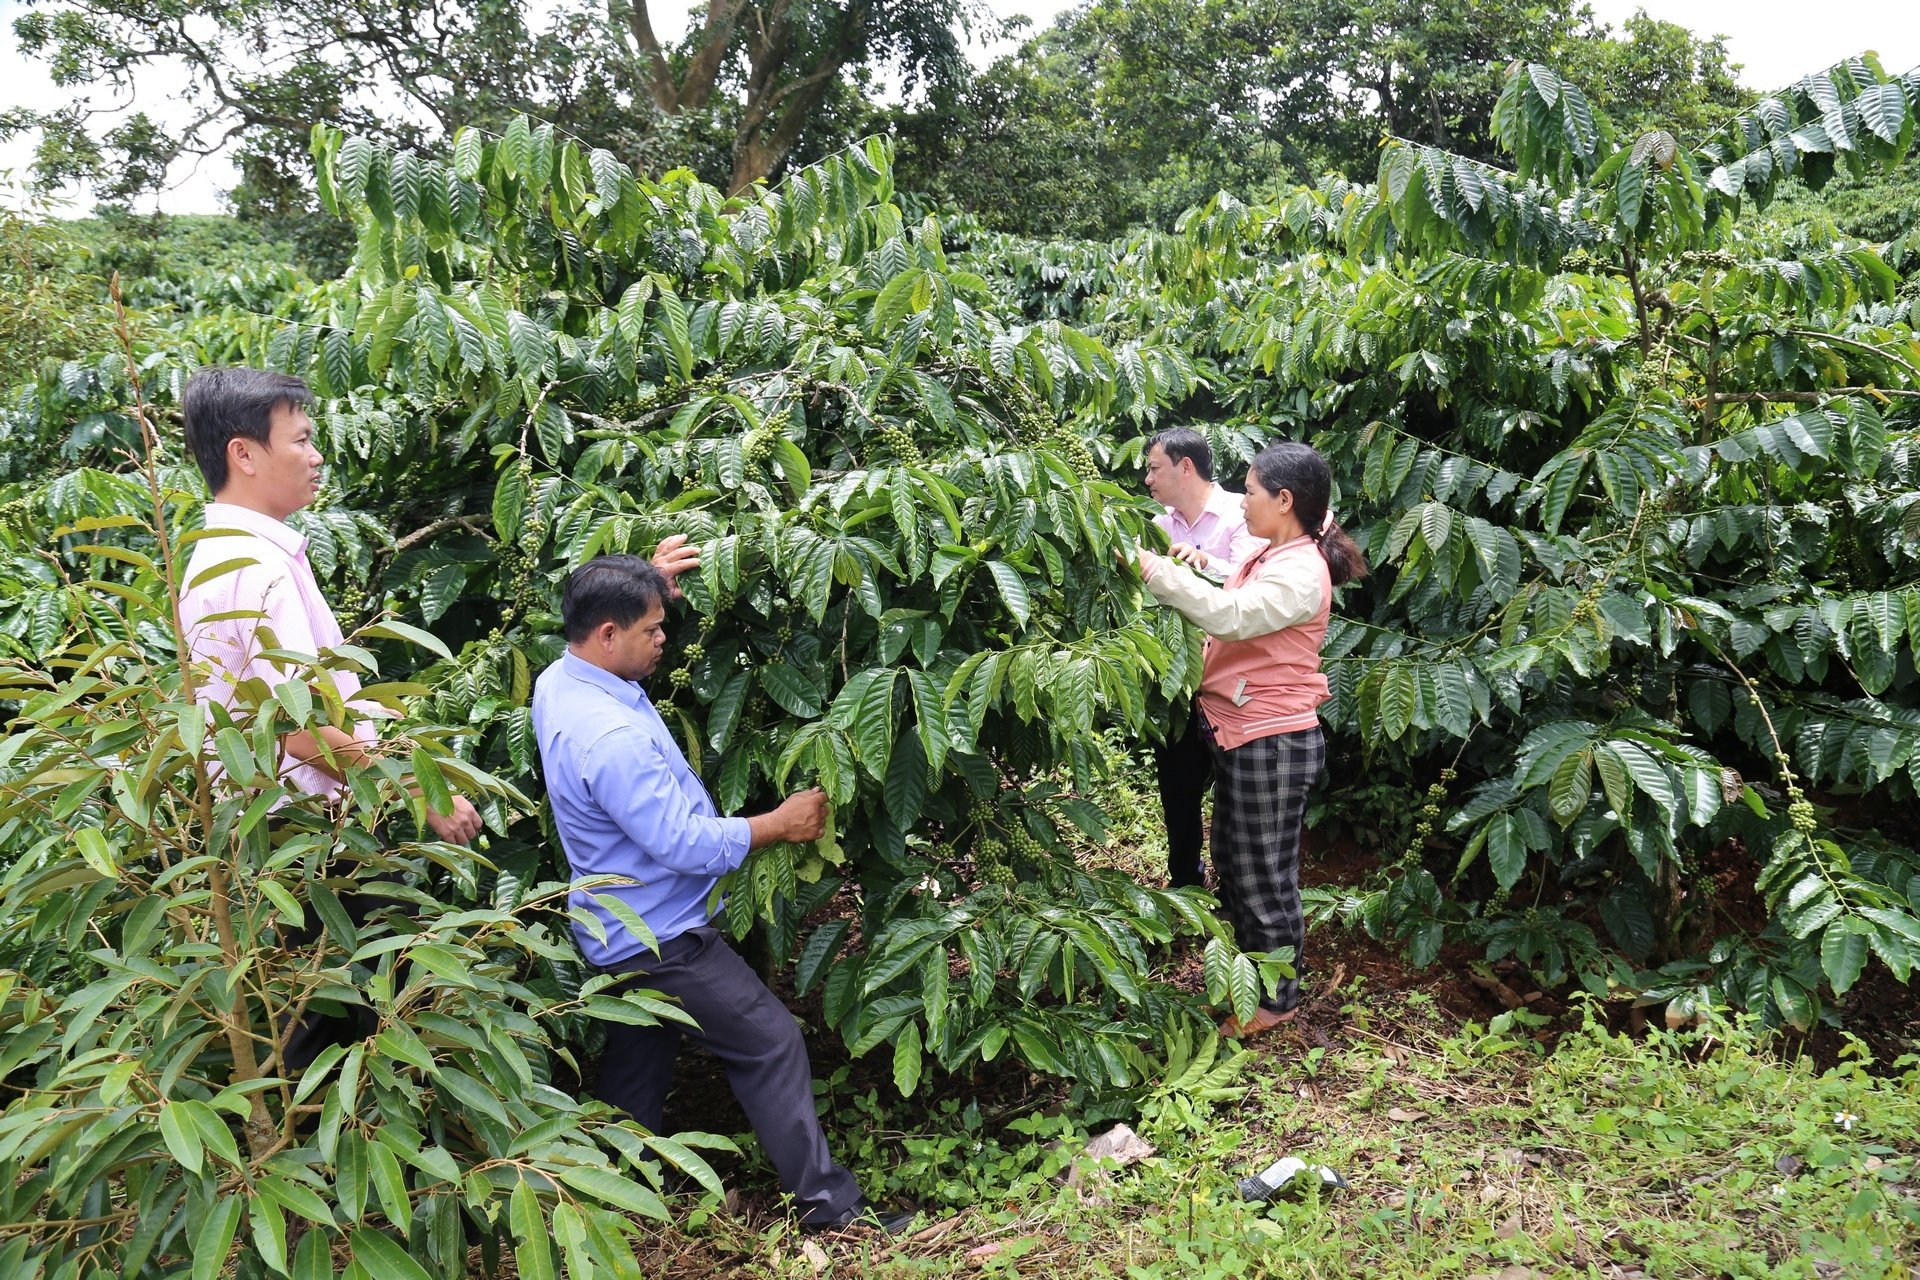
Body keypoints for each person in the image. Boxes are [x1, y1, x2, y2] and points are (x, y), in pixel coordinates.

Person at [531, 554, 911, 1234]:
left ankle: (606, 1209)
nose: (663, 639)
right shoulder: (609, 736)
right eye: (652, 628)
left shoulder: (562, 680)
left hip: (610, 927)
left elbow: (613, 615)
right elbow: (679, 842)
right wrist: (779, 824)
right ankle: (831, 1209)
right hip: (662, 940)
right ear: (610, 634)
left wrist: (644, 579)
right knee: (770, 1043)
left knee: (637, 1067)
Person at [176, 366, 484, 1071]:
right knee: (359, 1029)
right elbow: (299, 723)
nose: (316, 457)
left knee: (335, 1024)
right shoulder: (258, 566)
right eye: (303, 439)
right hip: (312, 845)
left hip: (276, 840)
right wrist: (418, 789)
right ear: (244, 454)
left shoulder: (220, 556)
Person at [1127, 441, 1367, 1038]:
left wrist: (1151, 569)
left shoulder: (1301, 570)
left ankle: (1278, 998)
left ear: (1284, 501)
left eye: (1252, 493)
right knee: (1235, 860)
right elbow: (1235, 587)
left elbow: (1233, 616)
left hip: (1273, 740)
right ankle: (1247, 981)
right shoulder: (1277, 550)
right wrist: (1195, 564)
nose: (1241, 505)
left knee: (1263, 873)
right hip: (1245, 732)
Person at [1140, 428, 1267, 890]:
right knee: (1178, 790)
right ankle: (1187, 890)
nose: (1148, 479)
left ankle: (1241, 896)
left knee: (1238, 798)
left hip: (1238, 686)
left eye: (1155, 468)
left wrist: (1202, 563)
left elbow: (1257, 587)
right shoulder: (1156, 524)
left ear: (1185, 467)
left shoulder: (1244, 512)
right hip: (1179, 682)